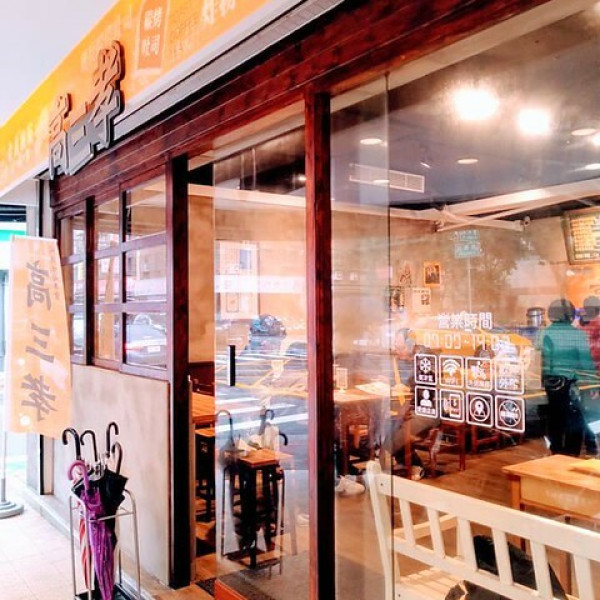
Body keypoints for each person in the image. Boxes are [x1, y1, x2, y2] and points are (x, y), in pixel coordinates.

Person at [538, 299, 596, 456]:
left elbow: (539, 358)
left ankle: (555, 450)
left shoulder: (544, 332)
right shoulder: (576, 334)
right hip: (569, 384)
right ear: (569, 314)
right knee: (574, 419)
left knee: (554, 418)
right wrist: (592, 384)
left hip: (549, 383)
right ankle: (571, 453)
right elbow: (585, 362)